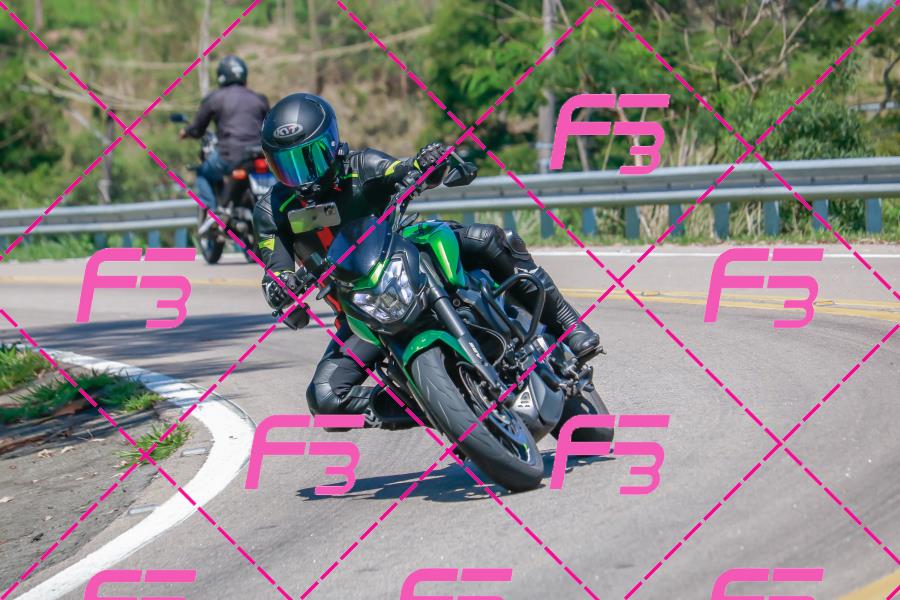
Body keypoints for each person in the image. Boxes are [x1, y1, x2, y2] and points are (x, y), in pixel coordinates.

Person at [253, 93, 601, 428]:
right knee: (326, 398)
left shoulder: (361, 166)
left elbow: (401, 169)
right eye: (286, 166)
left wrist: (427, 162)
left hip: (407, 261)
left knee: (491, 239)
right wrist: (280, 288)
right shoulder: (272, 211)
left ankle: (569, 326)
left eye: (309, 158)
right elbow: (276, 268)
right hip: (362, 314)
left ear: (331, 144)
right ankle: (438, 409)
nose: (302, 177)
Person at [180, 55, 270, 209]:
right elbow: (270, 126)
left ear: (221, 76)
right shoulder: (259, 99)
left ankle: (211, 213)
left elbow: (197, 129)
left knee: (202, 172)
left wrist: (185, 132)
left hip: (230, 156)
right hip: (260, 156)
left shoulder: (215, 98)